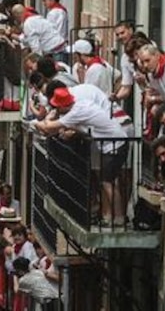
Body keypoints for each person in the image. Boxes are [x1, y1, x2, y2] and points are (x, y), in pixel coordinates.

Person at [33, 87, 130, 225]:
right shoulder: (80, 106)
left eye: (57, 107)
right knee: (107, 181)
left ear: (63, 105)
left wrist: (39, 122)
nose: (56, 110)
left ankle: (119, 218)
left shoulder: (77, 112)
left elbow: (49, 127)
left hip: (115, 144)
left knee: (107, 182)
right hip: (112, 143)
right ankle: (116, 217)